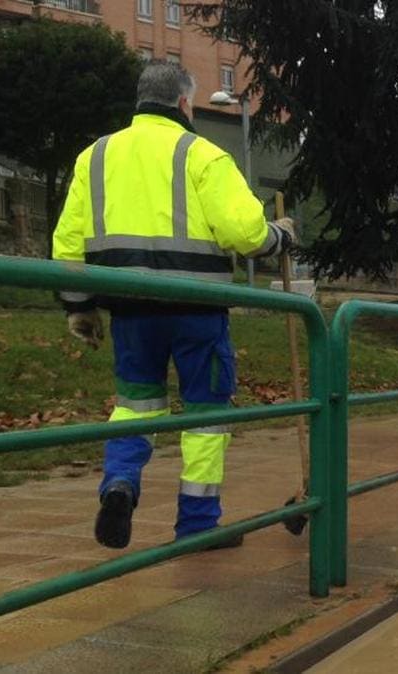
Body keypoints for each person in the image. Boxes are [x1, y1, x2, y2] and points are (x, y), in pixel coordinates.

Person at [52, 61, 297, 549]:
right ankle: (199, 524)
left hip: (130, 313)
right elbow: (243, 233)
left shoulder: (94, 158)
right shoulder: (202, 155)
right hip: (197, 311)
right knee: (206, 413)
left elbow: (67, 245)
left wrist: (79, 307)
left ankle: (120, 486)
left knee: (135, 407)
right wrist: (282, 237)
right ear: (185, 102)